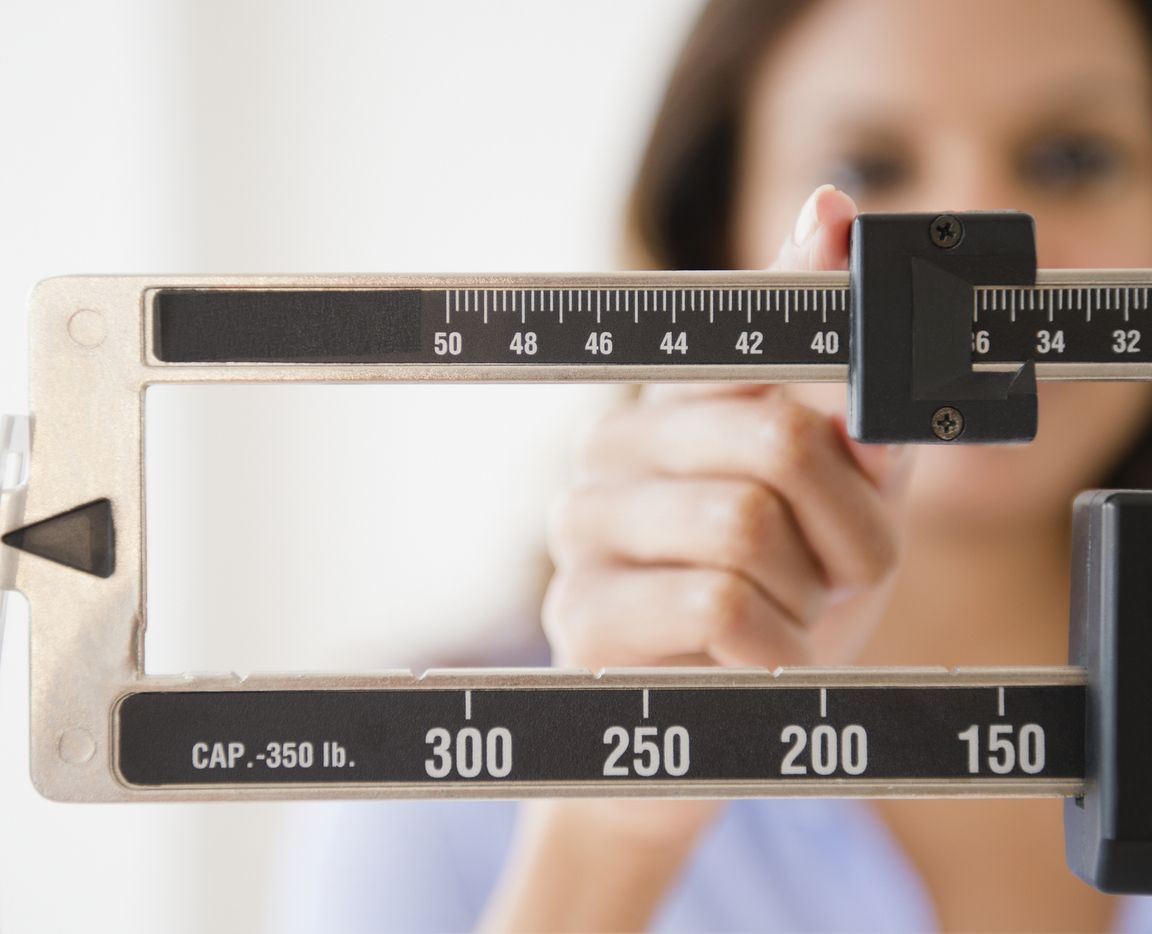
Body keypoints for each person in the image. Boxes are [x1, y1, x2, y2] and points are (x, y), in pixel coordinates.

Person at [267, 0, 1152, 930]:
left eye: (1074, 157)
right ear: (720, 246)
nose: (973, 245)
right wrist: (615, 824)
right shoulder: (423, 791)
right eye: (865, 168)